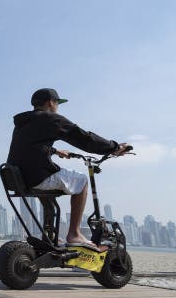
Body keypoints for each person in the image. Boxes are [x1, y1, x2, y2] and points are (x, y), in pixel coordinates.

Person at [7, 88, 129, 248]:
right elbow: (83, 138)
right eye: (57, 102)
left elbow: (29, 148)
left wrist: (55, 151)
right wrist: (113, 147)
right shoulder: (51, 119)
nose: (58, 106)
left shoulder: (24, 123)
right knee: (82, 181)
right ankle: (74, 234)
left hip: (17, 177)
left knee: (48, 200)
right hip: (37, 175)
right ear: (51, 102)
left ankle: (49, 237)